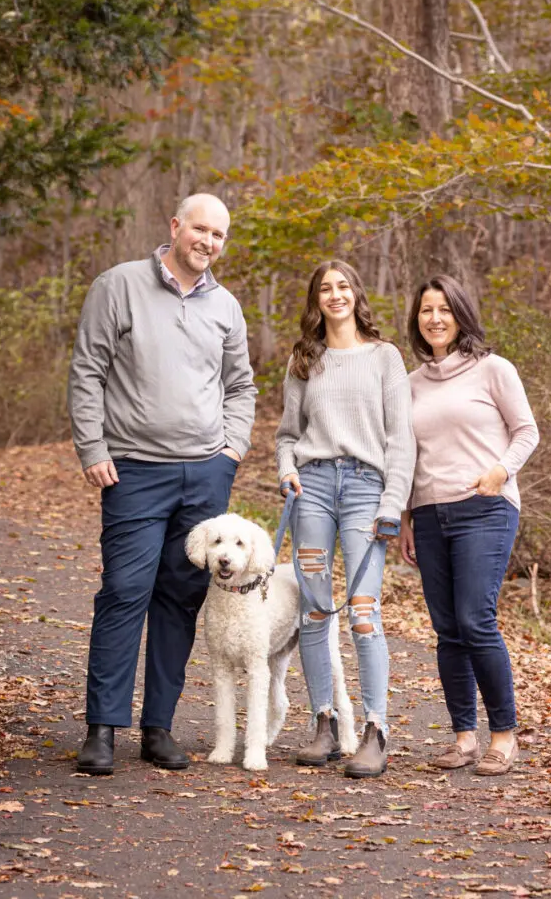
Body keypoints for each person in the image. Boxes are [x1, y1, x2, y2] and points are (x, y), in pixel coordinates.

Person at [68, 192, 257, 776]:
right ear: (176, 226)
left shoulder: (225, 306)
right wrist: (92, 446)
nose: (208, 242)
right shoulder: (118, 285)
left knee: (180, 598)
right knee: (125, 591)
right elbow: (88, 369)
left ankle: (158, 729)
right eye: (201, 229)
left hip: (204, 475)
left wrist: (231, 451)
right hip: (133, 470)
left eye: (219, 235)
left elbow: (240, 386)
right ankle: (102, 729)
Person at [276, 260, 414, 779]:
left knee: (362, 610)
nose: (335, 295)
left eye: (343, 287)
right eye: (325, 289)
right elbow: (288, 435)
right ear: (316, 300)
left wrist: (391, 502)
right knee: (313, 610)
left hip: (364, 489)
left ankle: (376, 732)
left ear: (357, 294)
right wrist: (287, 471)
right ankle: (323, 724)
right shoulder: (304, 358)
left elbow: (401, 438)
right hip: (311, 489)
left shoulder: (385, 357)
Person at [400, 275, 539, 776]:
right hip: (431, 515)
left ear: (460, 314)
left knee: (475, 619)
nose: (434, 318)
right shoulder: (411, 383)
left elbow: (526, 430)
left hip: (486, 507)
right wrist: (408, 517)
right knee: (447, 629)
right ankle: (463, 737)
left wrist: (502, 470)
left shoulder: (493, 369)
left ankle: (504, 735)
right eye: (425, 311)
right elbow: (410, 456)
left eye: (444, 309)